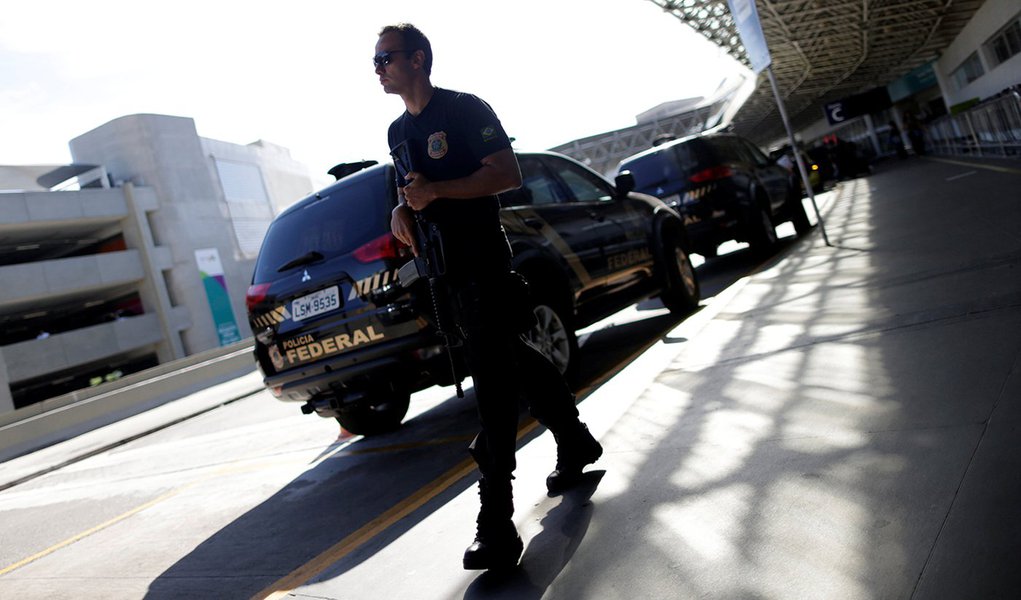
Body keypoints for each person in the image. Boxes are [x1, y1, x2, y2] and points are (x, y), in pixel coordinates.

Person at [375, 23, 603, 571]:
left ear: (418, 60)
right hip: (444, 275)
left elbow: (506, 173)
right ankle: (575, 443)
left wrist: (438, 191)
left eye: (385, 57)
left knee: (494, 388)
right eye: (374, 61)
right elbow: (408, 190)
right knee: (514, 360)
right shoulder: (395, 132)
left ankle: (495, 523)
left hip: (484, 265)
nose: (377, 68)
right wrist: (401, 210)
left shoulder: (464, 109)